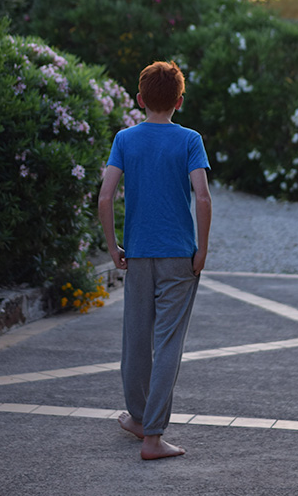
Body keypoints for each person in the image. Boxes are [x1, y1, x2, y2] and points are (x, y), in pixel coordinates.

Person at [98, 60, 212, 459]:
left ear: (140, 99)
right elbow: (202, 195)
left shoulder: (125, 140)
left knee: (136, 338)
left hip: (139, 253)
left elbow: (105, 196)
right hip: (180, 254)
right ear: (180, 101)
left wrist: (113, 247)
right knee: (167, 344)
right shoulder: (190, 140)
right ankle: (152, 436)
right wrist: (203, 248)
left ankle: (137, 417)